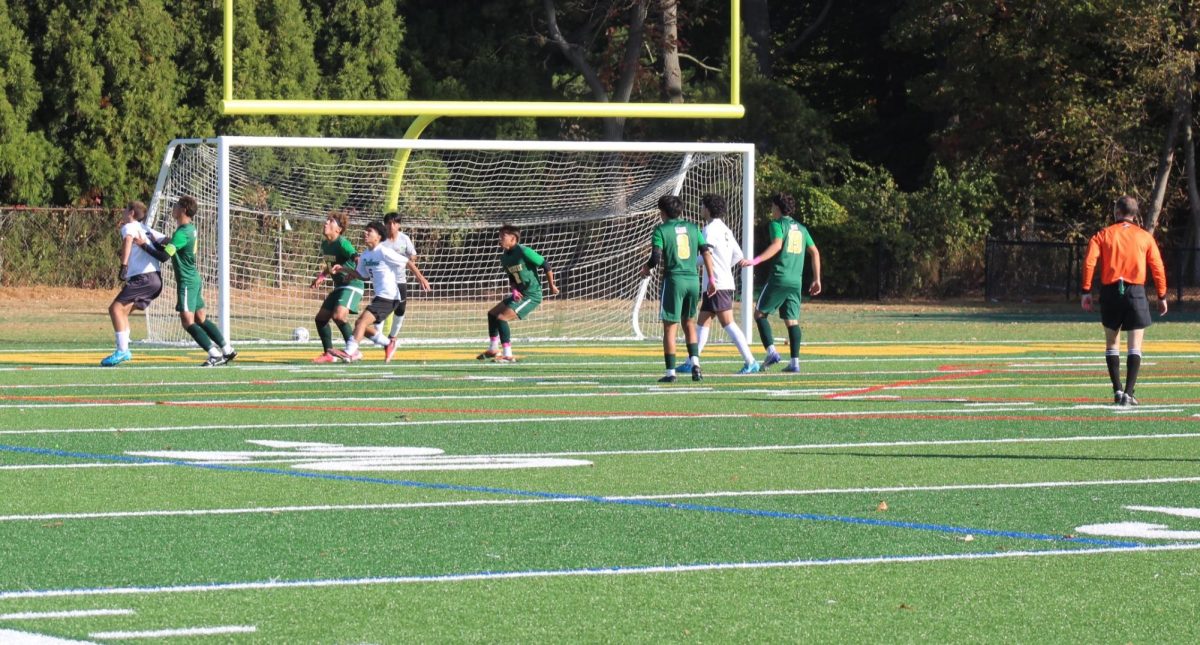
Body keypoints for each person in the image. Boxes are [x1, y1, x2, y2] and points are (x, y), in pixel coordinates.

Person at [1081, 196, 1168, 406]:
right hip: (1135, 292)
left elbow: (1090, 261)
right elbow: (1157, 267)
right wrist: (1162, 295)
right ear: (1134, 214)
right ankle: (1129, 393)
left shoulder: (1103, 235)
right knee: (1135, 345)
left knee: (1112, 343)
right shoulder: (1144, 237)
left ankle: (1118, 390)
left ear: (1117, 212)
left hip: (1110, 292)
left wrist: (1086, 290)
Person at [137, 196, 237, 367]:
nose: (173, 208)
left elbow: (163, 257)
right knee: (201, 319)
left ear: (183, 209)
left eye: (176, 205)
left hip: (187, 282)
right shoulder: (190, 229)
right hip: (195, 279)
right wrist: (155, 242)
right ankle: (227, 349)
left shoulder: (182, 232)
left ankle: (214, 354)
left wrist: (143, 245)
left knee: (187, 321)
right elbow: (173, 248)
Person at [738, 193, 821, 373]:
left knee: (759, 314)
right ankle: (795, 362)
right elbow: (814, 252)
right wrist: (817, 279)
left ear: (777, 207)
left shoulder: (777, 224)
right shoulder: (801, 228)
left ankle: (772, 352)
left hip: (779, 277)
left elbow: (776, 245)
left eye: (772, 206)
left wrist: (755, 261)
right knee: (792, 320)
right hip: (795, 281)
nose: (771, 209)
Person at [676, 194, 759, 375]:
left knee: (727, 323)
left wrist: (688, 262)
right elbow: (738, 255)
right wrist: (722, 267)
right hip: (721, 282)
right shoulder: (725, 230)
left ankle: (751, 360)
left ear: (707, 208)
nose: (700, 209)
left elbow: (707, 254)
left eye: (702, 205)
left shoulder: (710, 229)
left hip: (717, 284)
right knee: (703, 322)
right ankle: (691, 360)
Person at [640, 195, 717, 383]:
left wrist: (646, 268)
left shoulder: (660, 229)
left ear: (663, 212)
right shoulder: (693, 228)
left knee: (670, 327)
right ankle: (696, 365)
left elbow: (656, 257)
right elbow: (706, 251)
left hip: (674, 280)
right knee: (689, 323)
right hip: (693, 281)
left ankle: (670, 373)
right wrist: (712, 278)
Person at [329, 222, 412, 362]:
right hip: (380, 297)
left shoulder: (383, 251)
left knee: (361, 323)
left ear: (378, 236)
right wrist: (344, 270)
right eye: (365, 231)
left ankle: (349, 352)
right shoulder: (366, 255)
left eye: (369, 231)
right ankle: (388, 343)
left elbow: (407, 262)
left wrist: (422, 279)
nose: (365, 233)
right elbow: (363, 275)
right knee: (360, 324)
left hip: (390, 297)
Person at [477, 224, 559, 363]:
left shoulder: (524, 251)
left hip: (531, 296)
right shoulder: (504, 258)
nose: (500, 239)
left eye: (503, 236)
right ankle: (493, 349)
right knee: (492, 314)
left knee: (502, 318)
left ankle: (508, 355)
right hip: (520, 294)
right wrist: (514, 289)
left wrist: (551, 286)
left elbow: (546, 265)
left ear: (513, 239)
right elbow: (511, 277)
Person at [100, 201, 165, 366]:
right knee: (123, 311)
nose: (123, 212)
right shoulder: (146, 229)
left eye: (125, 209)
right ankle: (124, 349)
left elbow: (128, 241)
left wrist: (124, 265)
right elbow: (167, 239)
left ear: (131, 213)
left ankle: (122, 351)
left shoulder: (129, 227)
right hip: (156, 279)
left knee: (115, 308)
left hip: (143, 277)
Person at [309, 211, 364, 363]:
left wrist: (354, 273)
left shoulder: (342, 242)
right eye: (326, 220)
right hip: (340, 286)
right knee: (320, 319)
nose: (326, 223)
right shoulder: (325, 245)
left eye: (330, 221)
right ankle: (329, 354)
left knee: (339, 316)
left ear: (338, 229)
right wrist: (321, 276)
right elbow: (331, 266)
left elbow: (357, 258)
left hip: (353, 285)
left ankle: (354, 352)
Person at [378, 212, 431, 362]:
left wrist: (411, 259)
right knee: (382, 307)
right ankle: (380, 338)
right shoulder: (381, 240)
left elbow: (412, 256)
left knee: (400, 310)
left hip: (400, 280)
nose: (391, 226)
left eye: (395, 223)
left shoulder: (404, 239)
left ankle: (392, 338)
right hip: (385, 280)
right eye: (389, 223)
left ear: (399, 225)